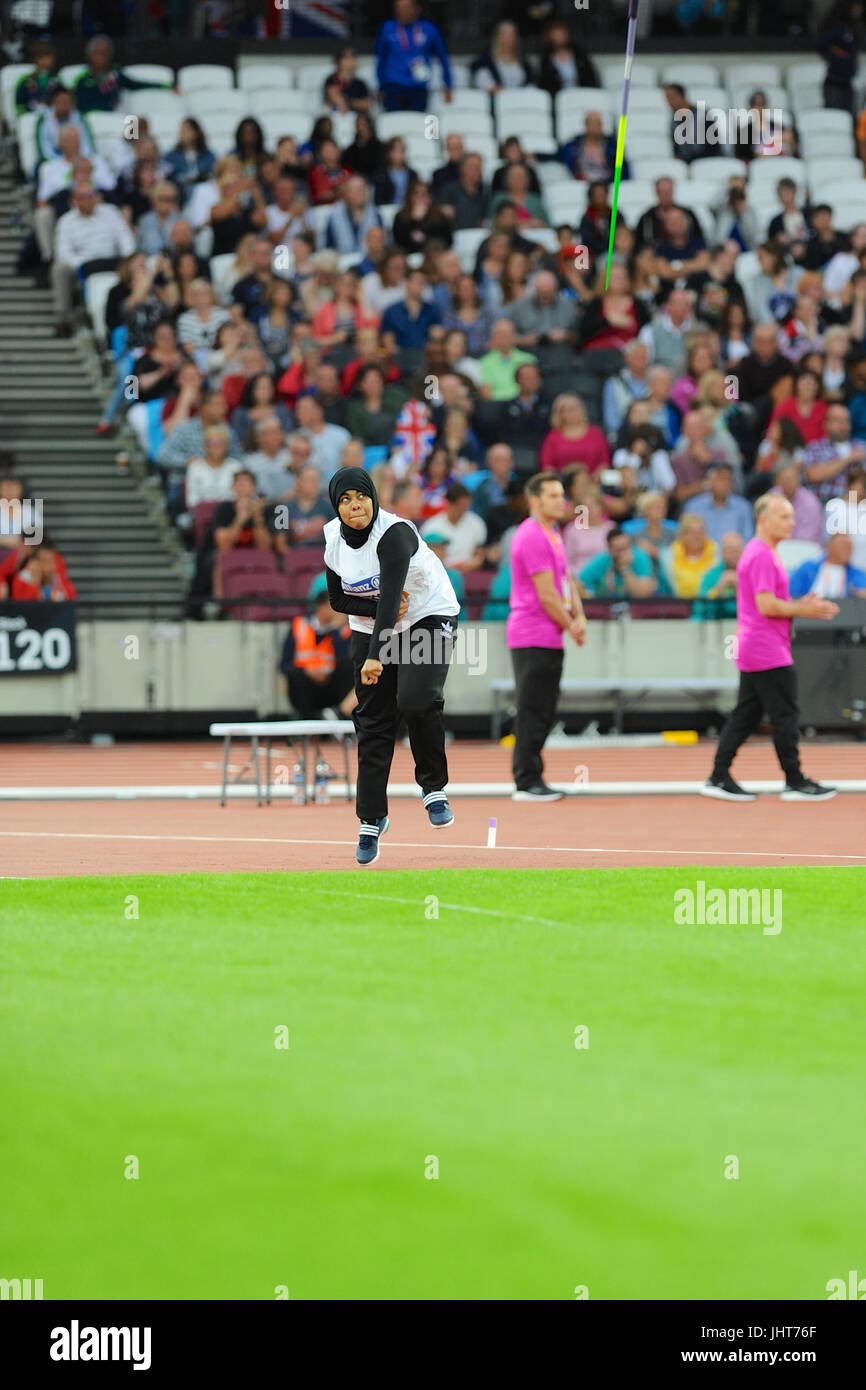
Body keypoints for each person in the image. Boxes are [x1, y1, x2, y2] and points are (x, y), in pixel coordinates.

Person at [323, 466, 461, 864]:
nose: (355, 506)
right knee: (373, 719)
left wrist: (374, 656)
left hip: (426, 615)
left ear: (374, 497)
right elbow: (338, 600)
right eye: (345, 500)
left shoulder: (394, 534)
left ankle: (433, 788)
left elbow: (393, 599)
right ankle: (371, 819)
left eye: (361, 496)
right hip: (372, 622)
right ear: (336, 506)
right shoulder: (332, 538)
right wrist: (373, 627)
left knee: (417, 700)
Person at [701, 493, 840, 802]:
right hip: (766, 647)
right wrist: (803, 610)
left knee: (747, 715)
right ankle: (794, 780)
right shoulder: (762, 554)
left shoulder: (763, 552)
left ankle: (719, 775)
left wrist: (799, 604)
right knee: (784, 715)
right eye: (784, 517)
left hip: (759, 644)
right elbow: (766, 605)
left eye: (791, 516)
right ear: (764, 519)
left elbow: (765, 601)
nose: (792, 522)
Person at [507, 472, 587, 802]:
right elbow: (546, 594)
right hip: (533, 634)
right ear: (535, 500)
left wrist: (578, 616)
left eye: (562, 495)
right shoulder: (532, 536)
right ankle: (526, 778)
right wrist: (572, 624)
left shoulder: (551, 533)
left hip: (547, 634)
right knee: (533, 709)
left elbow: (565, 582)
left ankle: (532, 775)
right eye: (553, 495)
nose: (561, 501)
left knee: (543, 709)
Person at [280, 592, 356, 719]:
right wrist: (308, 672)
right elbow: (284, 665)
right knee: (296, 676)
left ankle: (339, 716)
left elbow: (344, 659)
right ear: (321, 607)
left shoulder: (341, 632)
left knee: (348, 667)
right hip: (305, 685)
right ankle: (307, 722)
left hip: (330, 685)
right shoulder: (298, 625)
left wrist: (335, 631)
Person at [375, 0, 453, 112]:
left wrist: (448, 84)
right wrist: (381, 85)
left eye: (406, 7)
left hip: (418, 86)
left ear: (416, 9)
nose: (402, 11)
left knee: (417, 125)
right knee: (393, 124)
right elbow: (381, 59)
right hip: (393, 86)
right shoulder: (387, 28)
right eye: (399, 7)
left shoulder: (429, 29)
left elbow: (443, 58)